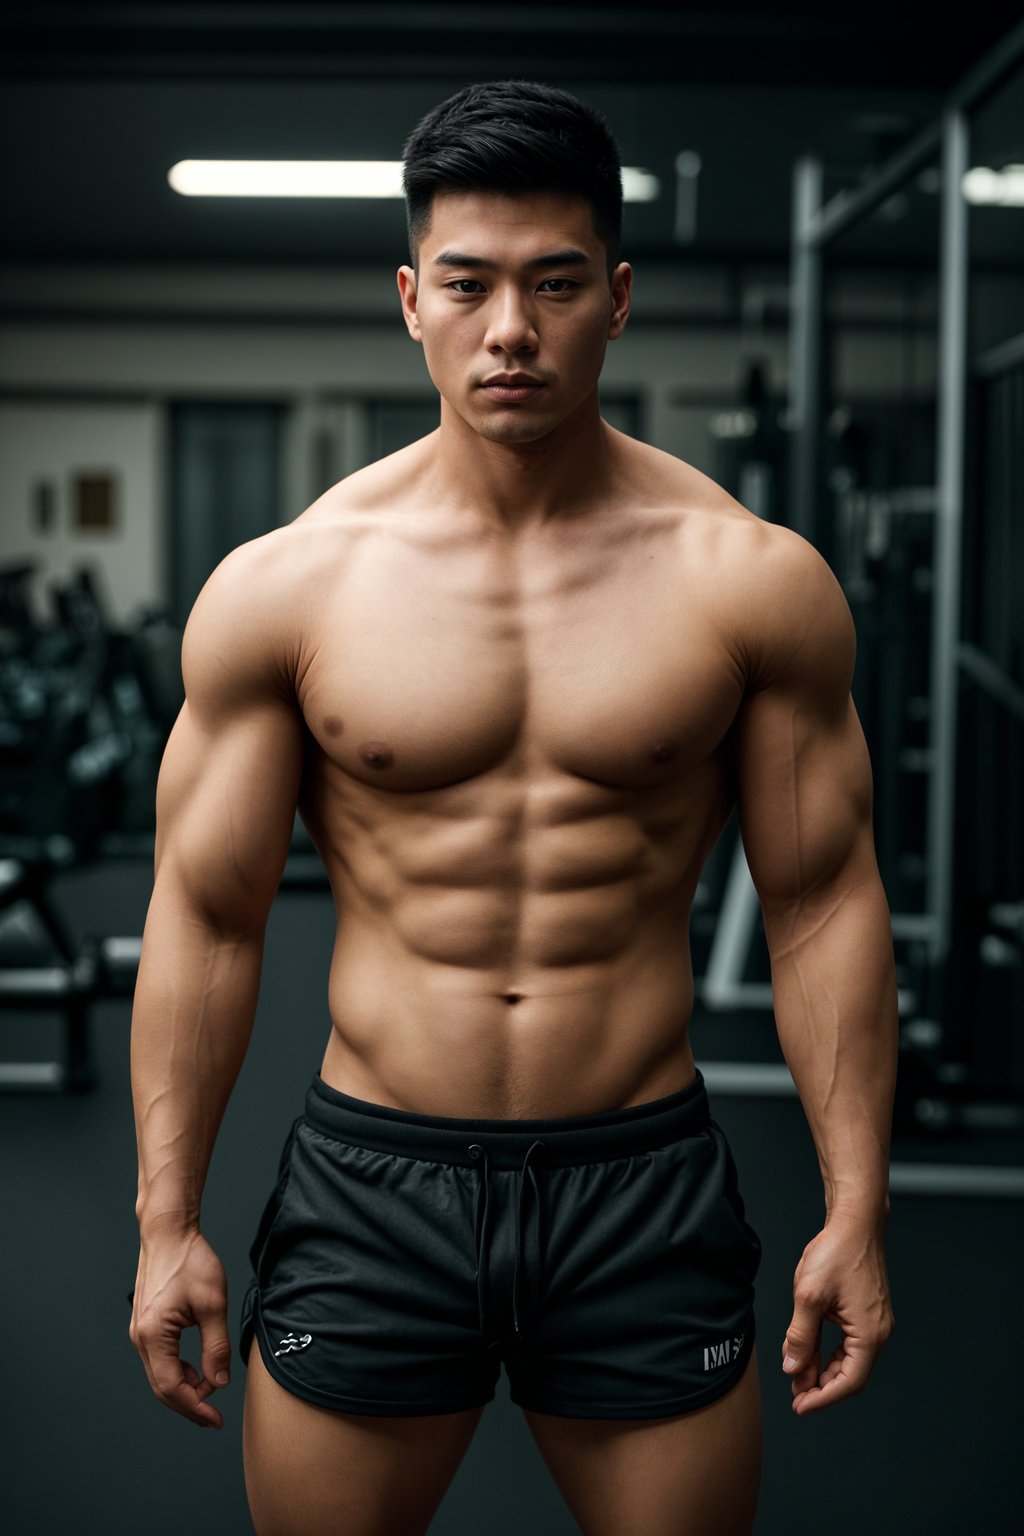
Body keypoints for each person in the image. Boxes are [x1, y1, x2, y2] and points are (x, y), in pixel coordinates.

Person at [129, 79, 897, 1536]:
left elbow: (818, 904)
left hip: (641, 1180)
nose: (510, 332)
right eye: (470, 286)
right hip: (377, 1177)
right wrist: (166, 1223)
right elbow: (207, 916)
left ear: (617, 298)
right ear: (409, 299)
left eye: (554, 286)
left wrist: (857, 1207)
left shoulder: (749, 580)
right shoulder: (290, 586)